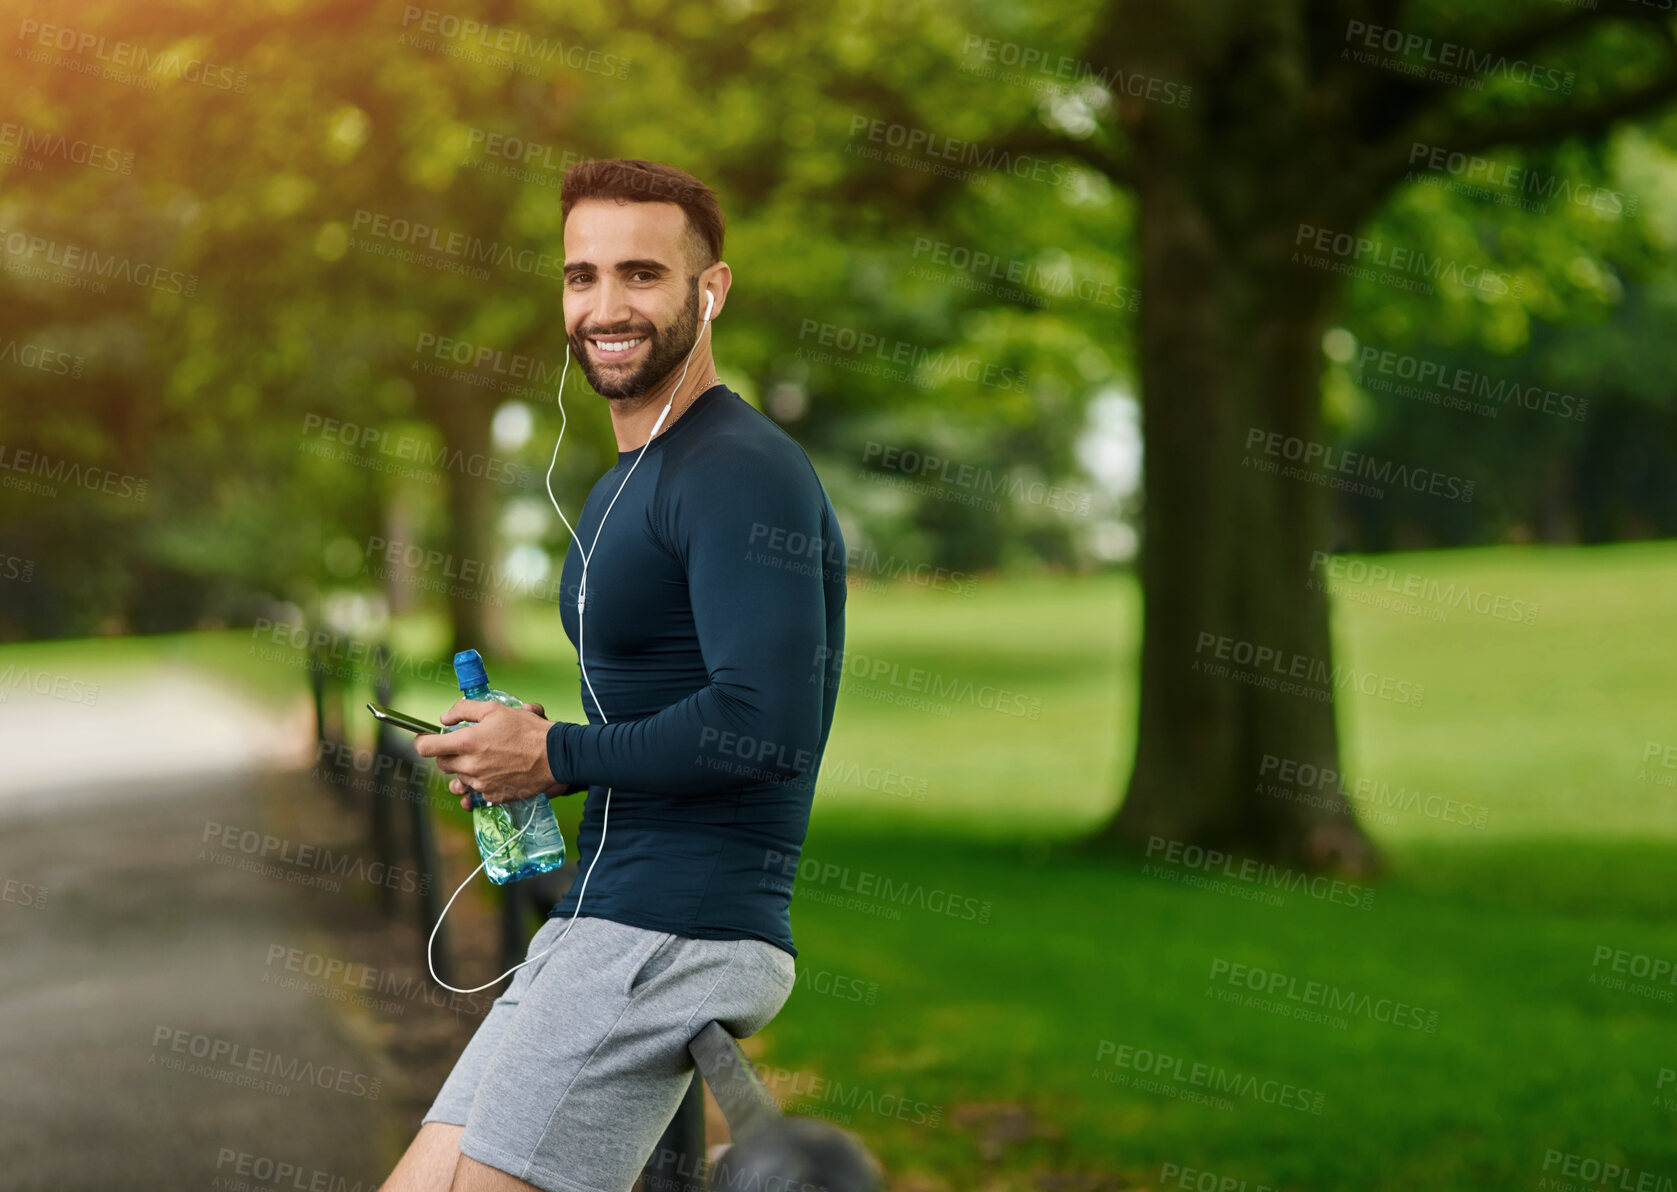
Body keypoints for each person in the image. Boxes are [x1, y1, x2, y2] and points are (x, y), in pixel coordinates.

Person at [382, 159, 847, 1192]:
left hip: (673, 930)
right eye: (580, 276)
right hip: (603, 916)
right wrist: (520, 744)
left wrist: (555, 754)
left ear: (710, 290)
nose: (605, 306)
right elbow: (664, 697)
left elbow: (765, 719)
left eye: (641, 274)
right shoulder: (628, 479)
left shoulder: (738, 468)